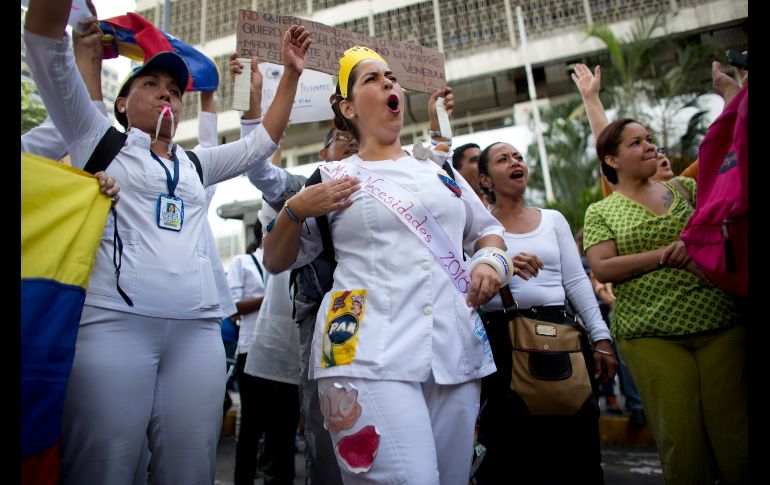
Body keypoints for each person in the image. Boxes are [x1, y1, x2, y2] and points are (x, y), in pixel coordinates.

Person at [23, 0, 311, 481]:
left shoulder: (196, 165)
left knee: (191, 466)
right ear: (120, 103)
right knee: (105, 467)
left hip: (197, 333)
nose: (166, 96)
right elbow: (44, 42)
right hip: (113, 327)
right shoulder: (95, 140)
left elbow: (260, 144)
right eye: (151, 84)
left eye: (175, 91)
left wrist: (292, 75)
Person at [262, 46, 509, 484]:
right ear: (347, 107)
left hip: (452, 350)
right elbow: (276, 259)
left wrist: (490, 263)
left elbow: (487, 230)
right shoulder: (329, 177)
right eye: (372, 79)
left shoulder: (439, 171)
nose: (389, 83)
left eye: (390, 77)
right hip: (362, 349)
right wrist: (295, 209)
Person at [583, 118, 746, 484]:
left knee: (736, 435)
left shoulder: (688, 188)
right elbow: (603, 266)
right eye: (636, 143)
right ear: (612, 160)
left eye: (649, 139)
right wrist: (665, 255)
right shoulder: (602, 211)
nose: (650, 146)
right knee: (681, 439)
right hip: (651, 333)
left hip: (720, 322)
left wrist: (697, 250)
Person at [472, 142, 615, 484]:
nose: (515, 162)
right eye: (503, 159)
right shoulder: (477, 228)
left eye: (518, 157)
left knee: (576, 444)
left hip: (560, 338)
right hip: (502, 342)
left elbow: (576, 281)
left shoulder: (553, 220)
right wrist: (501, 263)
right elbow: (464, 282)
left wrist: (600, 337)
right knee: (511, 450)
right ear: (485, 180)